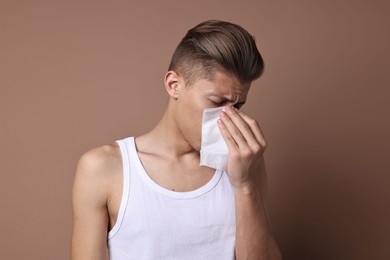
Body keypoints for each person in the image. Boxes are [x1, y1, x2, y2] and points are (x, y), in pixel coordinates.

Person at [71, 20, 282, 260]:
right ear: (174, 85)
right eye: (216, 102)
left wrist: (245, 185)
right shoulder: (103, 167)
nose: (227, 117)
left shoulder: (245, 164)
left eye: (238, 105)